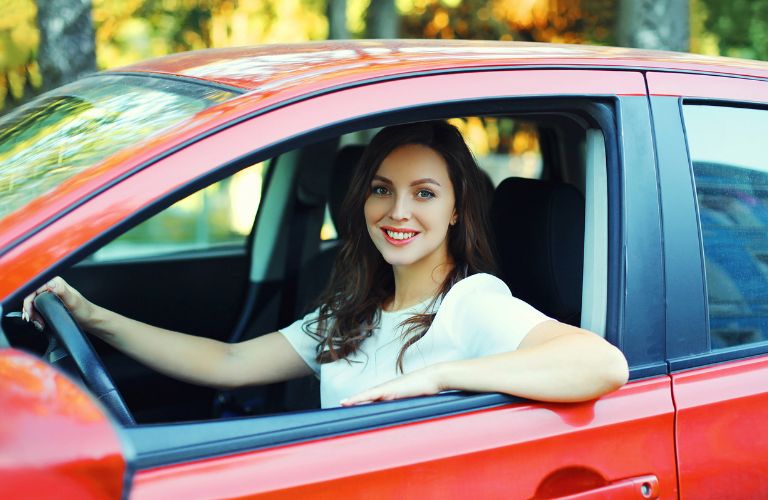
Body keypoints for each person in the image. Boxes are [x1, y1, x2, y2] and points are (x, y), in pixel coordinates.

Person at [22, 120, 628, 410]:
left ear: (457, 213)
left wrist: (437, 379)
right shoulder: (354, 310)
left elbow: (601, 363)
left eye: (424, 193)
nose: (398, 210)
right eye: (381, 190)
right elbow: (228, 361)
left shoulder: (472, 304)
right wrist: (92, 316)